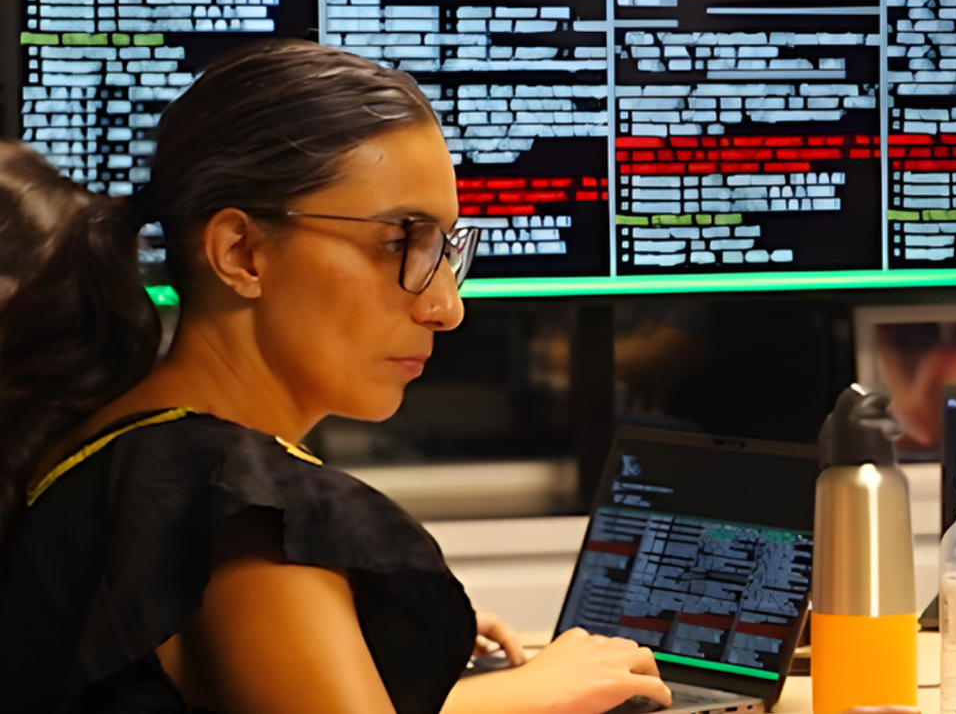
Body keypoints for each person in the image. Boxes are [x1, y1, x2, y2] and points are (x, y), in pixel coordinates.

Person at [0, 39, 672, 714]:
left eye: (444, 251)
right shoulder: (247, 515)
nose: (446, 306)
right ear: (242, 252)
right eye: (398, 242)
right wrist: (532, 694)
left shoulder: (97, 443)